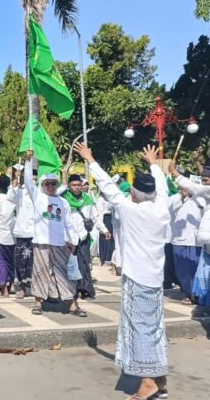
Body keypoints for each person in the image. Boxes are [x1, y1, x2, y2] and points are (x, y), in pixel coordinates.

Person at [76, 143, 170, 400]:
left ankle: (148, 382)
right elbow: (161, 185)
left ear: (135, 194)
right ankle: (160, 379)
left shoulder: (130, 209)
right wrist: (153, 163)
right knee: (154, 327)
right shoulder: (162, 207)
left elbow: (109, 188)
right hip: (154, 278)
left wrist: (91, 160)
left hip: (138, 278)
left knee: (141, 329)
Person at [24, 151, 85, 318]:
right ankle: (38, 303)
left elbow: (68, 223)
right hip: (41, 242)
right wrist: (29, 162)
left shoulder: (63, 201)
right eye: (47, 184)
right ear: (42, 185)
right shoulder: (37, 197)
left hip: (60, 243)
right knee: (40, 272)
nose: (50, 186)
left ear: (57, 185)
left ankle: (72, 305)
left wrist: (73, 240)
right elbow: (28, 182)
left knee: (64, 273)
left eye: (53, 183)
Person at [62, 174, 110, 300]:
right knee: (70, 265)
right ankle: (70, 290)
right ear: (69, 186)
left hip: (83, 238)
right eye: (74, 185)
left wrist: (104, 230)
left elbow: (95, 218)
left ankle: (85, 290)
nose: (77, 188)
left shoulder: (87, 199)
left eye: (79, 185)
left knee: (84, 264)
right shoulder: (63, 200)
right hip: (68, 239)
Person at [167, 187, 205, 305]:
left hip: (196, 241)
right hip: (179, 240)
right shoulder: (173, 199)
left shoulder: (201, 198)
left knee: (196, 268)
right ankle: (188, 292)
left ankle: (197, 294)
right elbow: (169, 212)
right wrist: (182, 199)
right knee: (182, 270)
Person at [6, 168, 36, 299]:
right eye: (31, 179)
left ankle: (35, 289)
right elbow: (10, 197)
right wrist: (14, 181)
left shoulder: (40, 192)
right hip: (22, 233)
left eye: (35, 180)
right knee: (21, 262)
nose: (33, 182)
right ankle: (22, 289)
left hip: (36, 234)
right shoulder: (20, 192)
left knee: (34, 263)